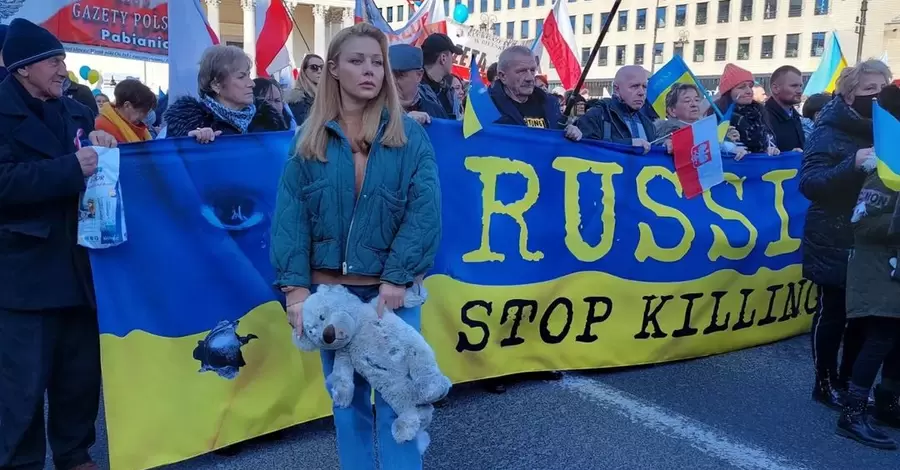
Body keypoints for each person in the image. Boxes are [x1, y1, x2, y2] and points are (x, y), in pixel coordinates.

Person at [271, 23, 441, 470]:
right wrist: (295, 289)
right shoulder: (308, 138)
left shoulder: (409, 136)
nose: (369, 70)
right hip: (331, 296)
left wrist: (396, 279)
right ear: (333, 70)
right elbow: (290, 218)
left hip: (393, 295)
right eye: (356, 60)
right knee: (346, 405)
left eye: (376, 62)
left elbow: (424, 213)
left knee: (396, 402)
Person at [0, 18, 117, 470]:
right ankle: (20, 461)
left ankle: (74, 453)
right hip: (24, 275)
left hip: (80, 266)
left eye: (63, 58)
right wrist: (71, 169)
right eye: (53, 60)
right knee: (21, 386)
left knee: (79, 377)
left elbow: (97, 152)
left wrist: (105, 140)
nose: (62, 68)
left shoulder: (76, 110)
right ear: (24, 68)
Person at [800, 59, 893, 412]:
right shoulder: (827, 129)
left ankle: (849, 381)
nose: (877, 96)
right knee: (834, 312)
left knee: (863, 314)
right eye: (870, 90)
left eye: (882, 90)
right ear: (849, 94)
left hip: (869, 235)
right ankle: (824, 382)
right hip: (832, 234)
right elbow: (810, 184)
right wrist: (851, 164)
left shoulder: (886, 127)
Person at [841, 83, 900, 449]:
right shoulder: (886, 164)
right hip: (876, 267)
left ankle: (887, 403)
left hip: (893, 266)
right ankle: (851, 413)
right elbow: (862, 221)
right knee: (880, 338)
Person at [164, 45, 285, 142]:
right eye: (241, 77)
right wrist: (189, 142)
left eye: (248, 75)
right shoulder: (187, 122)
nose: (252, 84)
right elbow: (172, 166)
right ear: (216, 85)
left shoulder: (269, 120)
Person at [489, 45, 582, 141]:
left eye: (532, 70)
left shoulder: (549, 103)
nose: (530, 78)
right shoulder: (484, 107)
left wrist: (570, 132)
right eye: (521, 71)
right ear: (503, 76)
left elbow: (557, 136)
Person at [655, 83, 748, 160]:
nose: (694, 104)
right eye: (687, 101)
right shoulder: (663, 136)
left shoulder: (709, 131)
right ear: (672, 110)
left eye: (696, 100)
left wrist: (731, 146)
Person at [576, 65, 656, 154]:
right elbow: (585, 150)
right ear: (616, 89)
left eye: (644, 87)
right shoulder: (597, 115)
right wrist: (629, 144)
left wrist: (664, 147)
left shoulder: (649, 124)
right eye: (635, 86)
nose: (641, 92)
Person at [710, 63, 778, 155]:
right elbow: (709, 149)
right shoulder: (716, 115)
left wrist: (772, 150)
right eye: (742, 87)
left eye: (750, 86)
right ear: (728, 92)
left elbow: (770, 142)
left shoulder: (760, 112)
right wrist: (728, 146)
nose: (749, 91)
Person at [388, 43, 447, 124]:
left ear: (419, 75)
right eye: (388, 75)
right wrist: (405, 121)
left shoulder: (436, 111)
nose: (392, 81)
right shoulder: (373, 109)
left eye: (399, 75)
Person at [94, 78, 158, 143]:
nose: (145, 115)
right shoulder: (103, 128)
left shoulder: (134, 125)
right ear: (127, 106)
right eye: (142, 111)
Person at [420, 33, 463, 119]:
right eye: (452, 55)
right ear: (443, 58)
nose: (453, 60)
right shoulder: (416, 92)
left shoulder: (446, 91)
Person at [765, 65, 805, 152]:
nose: (799, 91)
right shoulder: (762, 118)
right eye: (794, 86)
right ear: (775, 88)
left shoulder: (795, 116)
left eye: (800, 86)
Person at [286, 53, 323, 126]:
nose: (319, 71)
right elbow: (304, 127)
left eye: (323, 67)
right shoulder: (298, 98)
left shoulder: (327, 94)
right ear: (304, 70)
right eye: (314, 67)